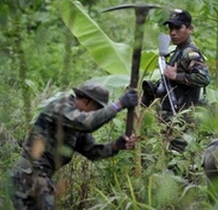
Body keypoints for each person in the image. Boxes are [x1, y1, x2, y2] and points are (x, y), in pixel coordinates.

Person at [9, 80, 138, 210]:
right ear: (87, 101)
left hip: (39, 178)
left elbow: (92, 152)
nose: (96, 113)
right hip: (28, 175)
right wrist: (119, 104)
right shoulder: (61, 108)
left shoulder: (75, 125)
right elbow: (87, 123)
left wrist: (116, 145)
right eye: (97, 110)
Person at [142, 9, 210, 153]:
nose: (173, 32)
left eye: (178, 28)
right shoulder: (178, 51)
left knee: (179, 156)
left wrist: (176, 77)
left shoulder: (190, 53)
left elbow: (204, 78)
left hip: (182, 115)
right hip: (172, 115)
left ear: (190, 29)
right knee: (170, 155)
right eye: (171, 28)